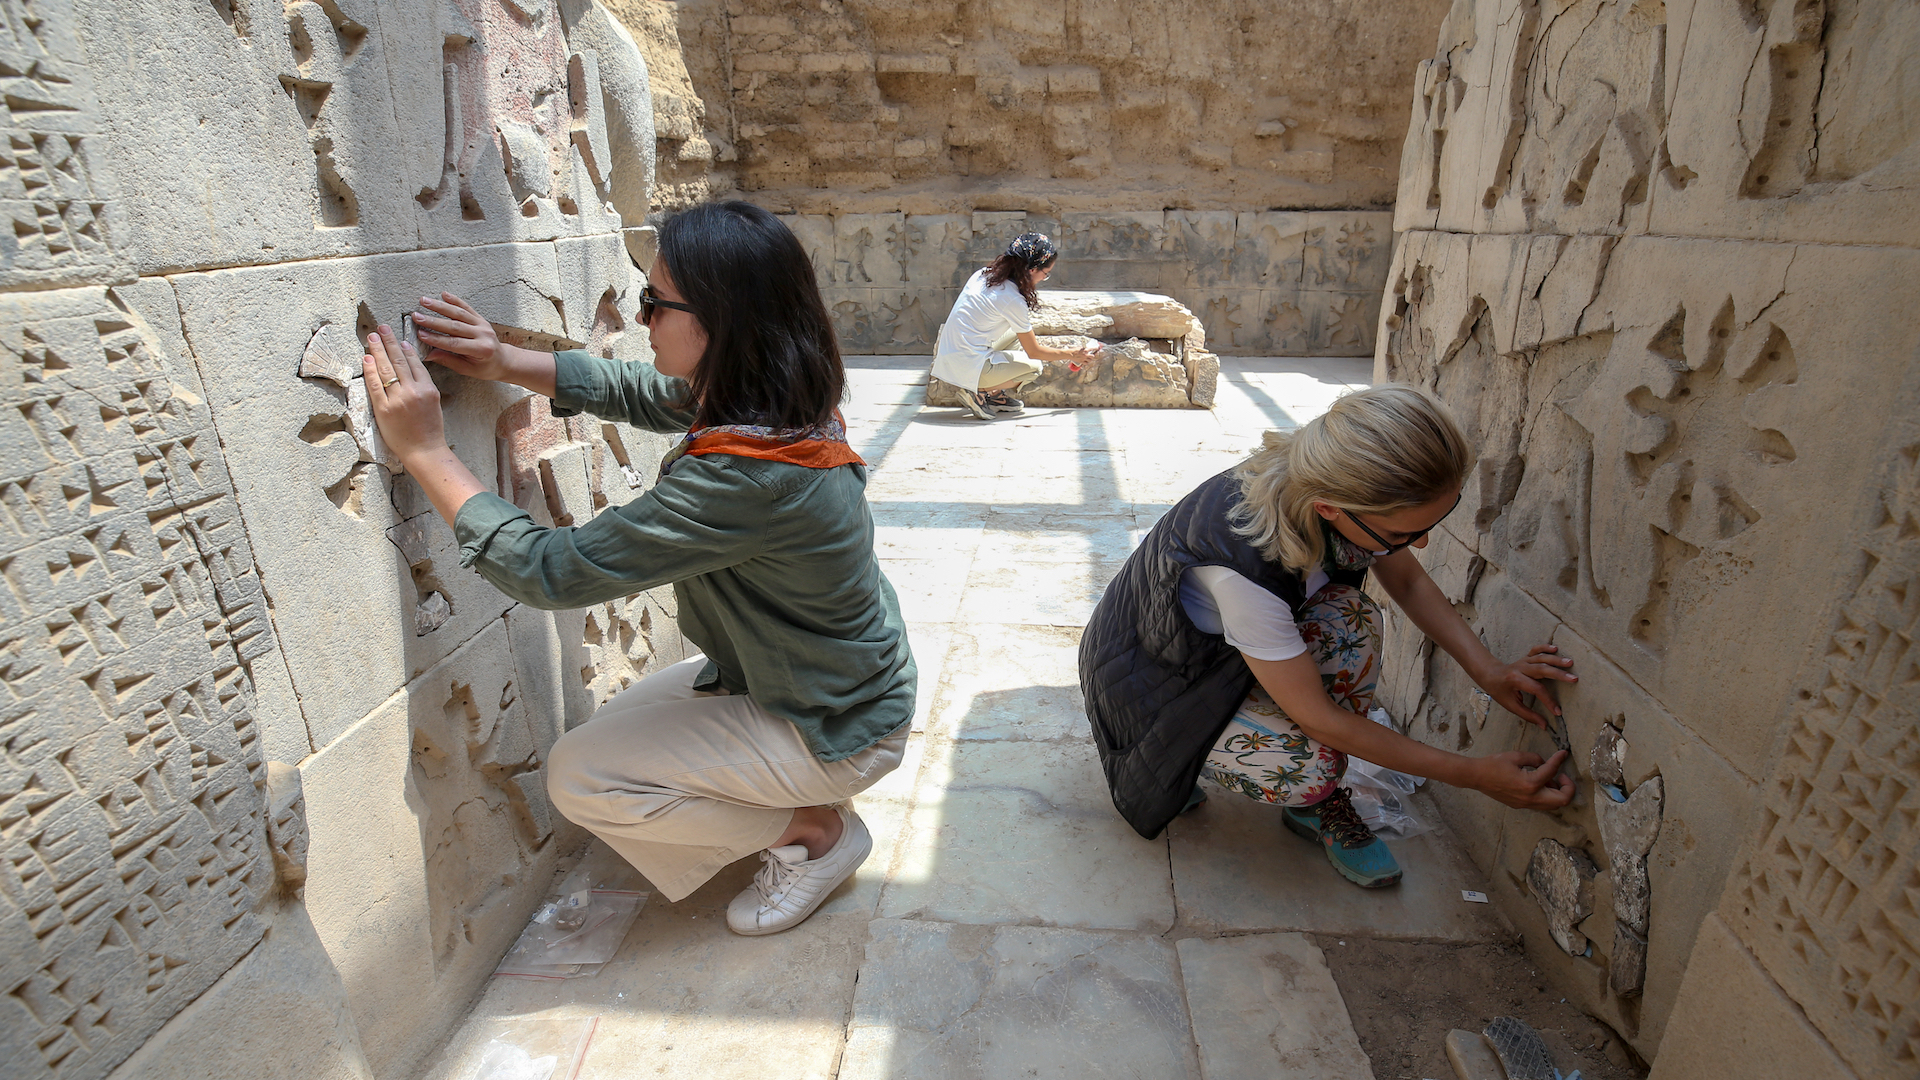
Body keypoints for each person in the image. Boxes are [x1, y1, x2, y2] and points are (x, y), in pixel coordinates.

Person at [360, 200, 914, 935]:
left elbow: (548, 571)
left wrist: (427, 452)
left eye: (655, 304)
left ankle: (816, 833)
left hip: (838, 720)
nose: (643, 317)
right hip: (825, 678)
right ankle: (797, 798)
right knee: (615, 738)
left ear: (720, 323)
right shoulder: (782, 400)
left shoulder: (749, 477)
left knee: (584, 778)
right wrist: (503, 361)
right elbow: (649, 393)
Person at [1078, 385, 1576, 888]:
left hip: (1212, 651)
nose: (1420, 543)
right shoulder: (1244, 572)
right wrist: (1474, 775)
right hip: (1152, 688)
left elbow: (1404, 578)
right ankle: (1202, 770)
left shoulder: (1329, 477)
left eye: (1431, 524)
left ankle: (1297, 799)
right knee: (1313, 766)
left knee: (1352, 618)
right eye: (1403, 534)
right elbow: (1320, 720)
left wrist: (1488, 670)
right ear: (1331, 508)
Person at [930, 232, 1100, 419]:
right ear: (1032, 269)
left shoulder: (983, 274)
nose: (1044, 278)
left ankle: (994, 394)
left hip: (950, 355)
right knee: (1034, 367)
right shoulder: (1011, 299)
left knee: (1015, 333)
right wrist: (1072, 354)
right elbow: (1034, 352)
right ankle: (978, 390)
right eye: (1046, 273)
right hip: (965, 365)